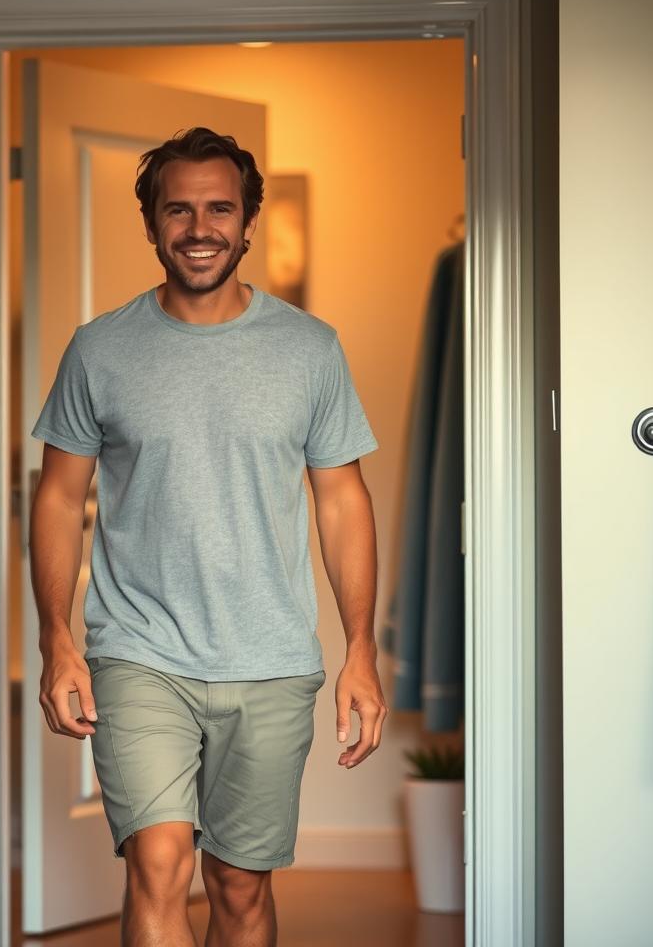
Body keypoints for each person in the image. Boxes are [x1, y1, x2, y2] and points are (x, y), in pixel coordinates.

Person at [29, 126, 387, 947]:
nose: (199, 227)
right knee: (158, 863)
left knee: (239, 888)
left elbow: (342, 502)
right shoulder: (100, 351)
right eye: (178, 209)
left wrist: (360, 648)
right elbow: (57, 498)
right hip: (139, 650)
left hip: (271, 657)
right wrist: (58, 639)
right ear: (151, 223)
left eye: (219, 208)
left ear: (248, 221)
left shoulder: (309, 350)